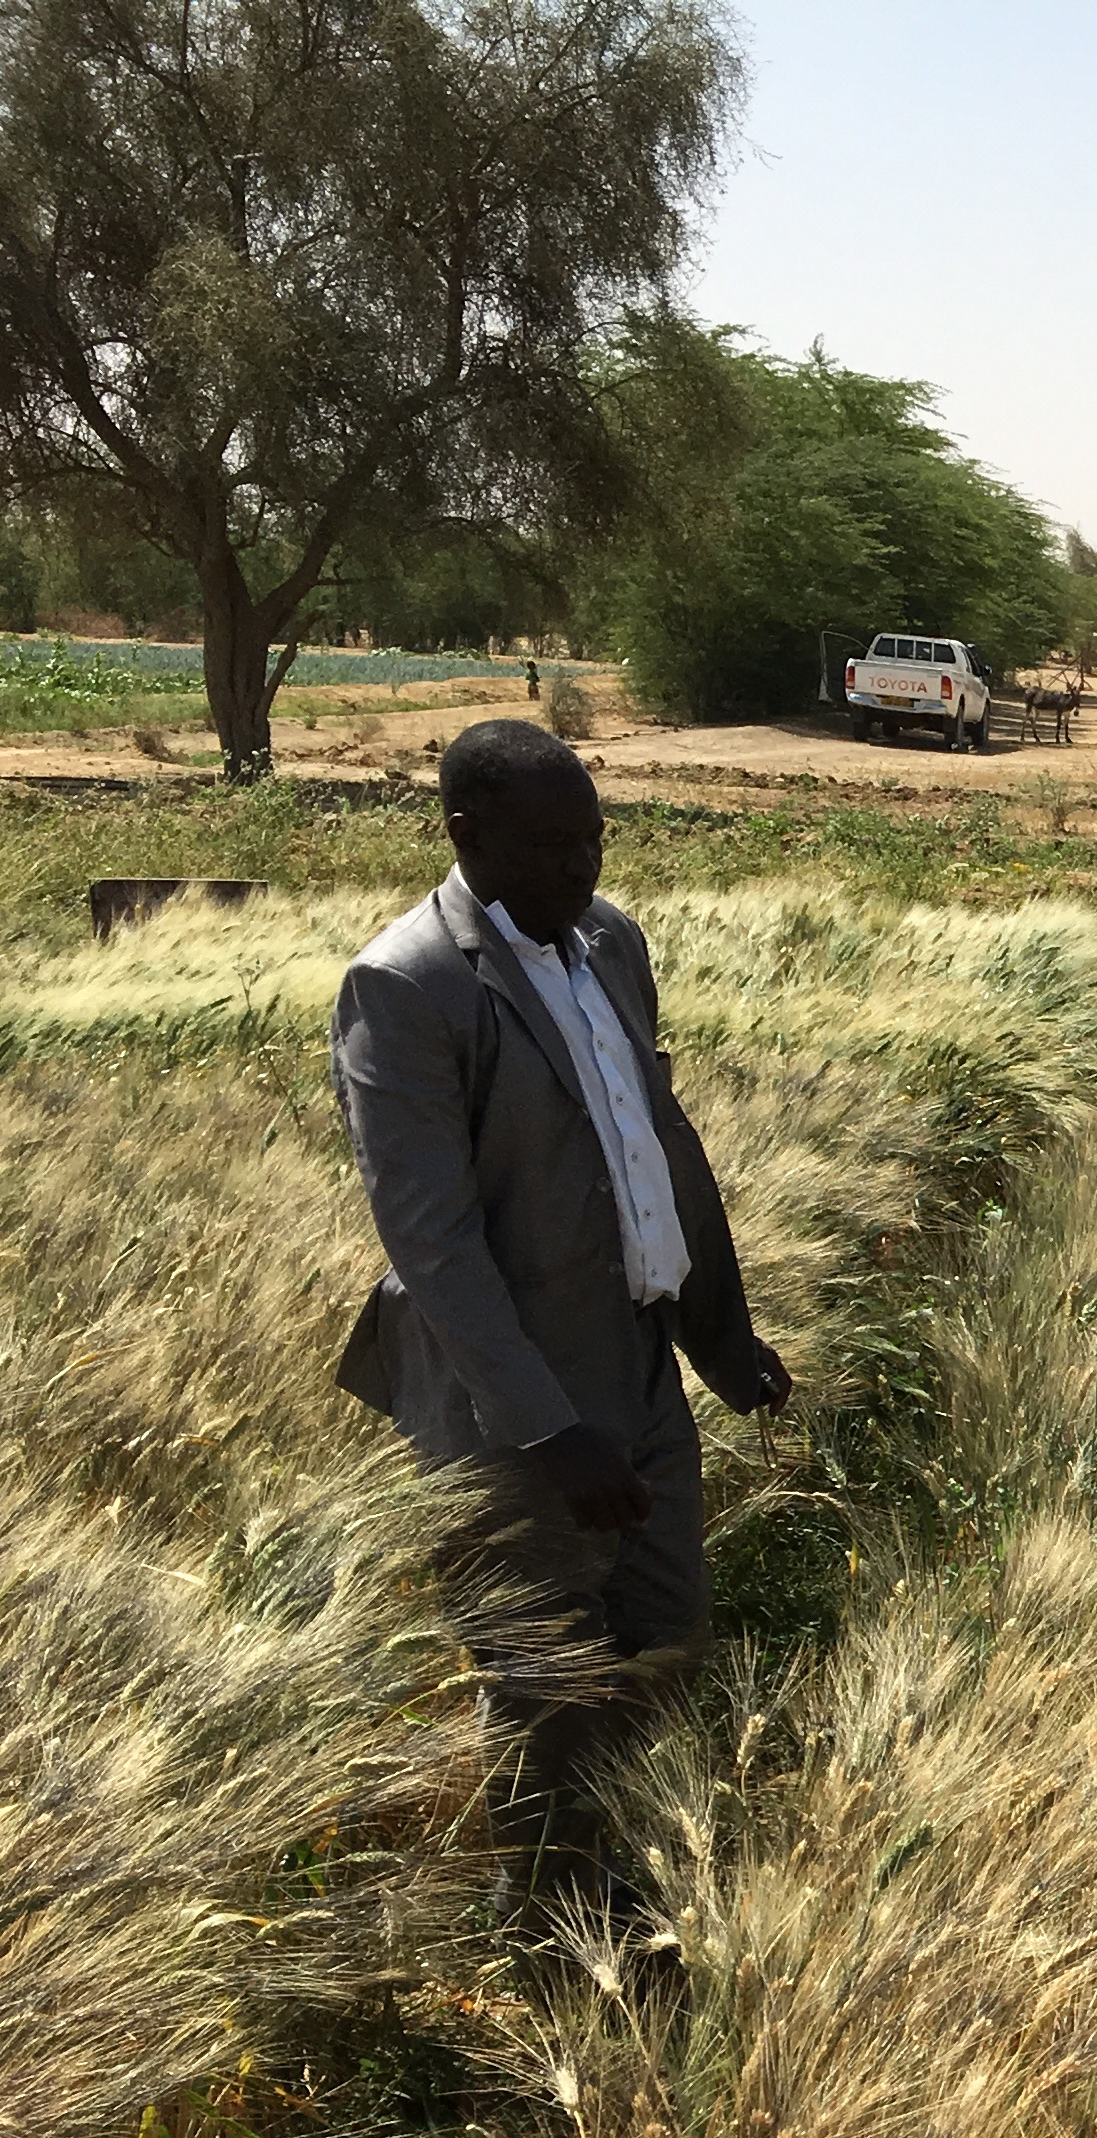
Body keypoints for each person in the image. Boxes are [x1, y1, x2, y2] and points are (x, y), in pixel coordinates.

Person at [331, 719, 793, 1914]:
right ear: (465, 836)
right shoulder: (408, 985)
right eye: (546, 848)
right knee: (543, 1681)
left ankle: (635, 1885)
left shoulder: (608, 941)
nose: (577, 870)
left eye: (591, 842)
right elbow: (432, 1244)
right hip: (517, 1403)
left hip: (639, 1370)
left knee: (666, 1636)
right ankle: (545, 1931)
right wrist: (544, 1426)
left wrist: (720, 1339)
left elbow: (654, 1150)